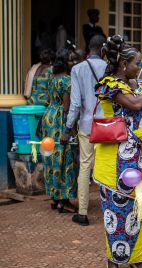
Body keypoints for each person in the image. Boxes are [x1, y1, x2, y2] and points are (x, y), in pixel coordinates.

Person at [92, 35, 142, 268]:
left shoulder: (139, 86)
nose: (140, 67)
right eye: (137, 63)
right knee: (116, 211)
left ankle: (137, 258)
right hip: (115, 160)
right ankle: (113, 259)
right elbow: (135, 105)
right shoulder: (110, 85)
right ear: (124, 65)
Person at [61, 35, 107, 226]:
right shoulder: (109, 67)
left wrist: (67, 127)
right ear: (103, 49)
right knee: (105, 167)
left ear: (89, 48)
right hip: (107, 125)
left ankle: (82, 212)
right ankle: (109, 211)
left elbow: (75, 103)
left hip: (87, 125)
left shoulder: (77, 69)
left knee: (85, 167)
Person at [41, 48, 78, 214]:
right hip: (60, 120)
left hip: (48, 117)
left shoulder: (51, 77)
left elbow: (49, 99)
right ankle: (64, 200)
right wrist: (70, 129)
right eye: (71, 60)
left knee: (51, 158)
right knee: (65, 159)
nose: (73, 63)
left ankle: (55, 197)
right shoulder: (67, 81)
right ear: (65, 62)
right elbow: (67, 107)